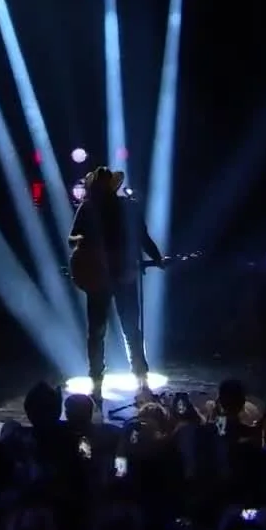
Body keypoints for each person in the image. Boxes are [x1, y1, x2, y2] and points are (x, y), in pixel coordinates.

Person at [67, 167, 165, 390]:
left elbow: (142, 237)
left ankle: (137, 371)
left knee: (127, 327)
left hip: (121, 275)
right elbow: (71, 239)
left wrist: (157, 257)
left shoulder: (126, 207)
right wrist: (82, 241)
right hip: (100, 277)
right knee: (100, 330)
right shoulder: (88, 208)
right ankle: (99, 374)